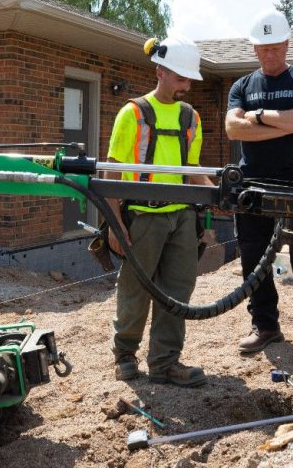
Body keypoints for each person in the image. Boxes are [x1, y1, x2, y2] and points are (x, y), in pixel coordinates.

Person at [225, 9, 293, 365]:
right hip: (253, 185)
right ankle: (265, 326)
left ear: (287, 44)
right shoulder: (242, 86)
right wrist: (290, 124)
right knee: (254, 261)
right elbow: (233, 129)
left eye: (275, 47)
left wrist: (257, 117)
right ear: (255, 49)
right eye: (263, 48)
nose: (270, 53)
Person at [106, 36, 214, 387]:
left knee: (177, 292)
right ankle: (125, 355)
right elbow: (111, 170)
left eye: (188, 80)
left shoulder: (191, 118)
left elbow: (192, 169)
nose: (186, 86)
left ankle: (165, 363)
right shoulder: (133, 114)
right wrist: (114, 223)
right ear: (161, 72)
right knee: (135, 289)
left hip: (182, 217)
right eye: (181, 79)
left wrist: (219, 196)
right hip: (143, 216)